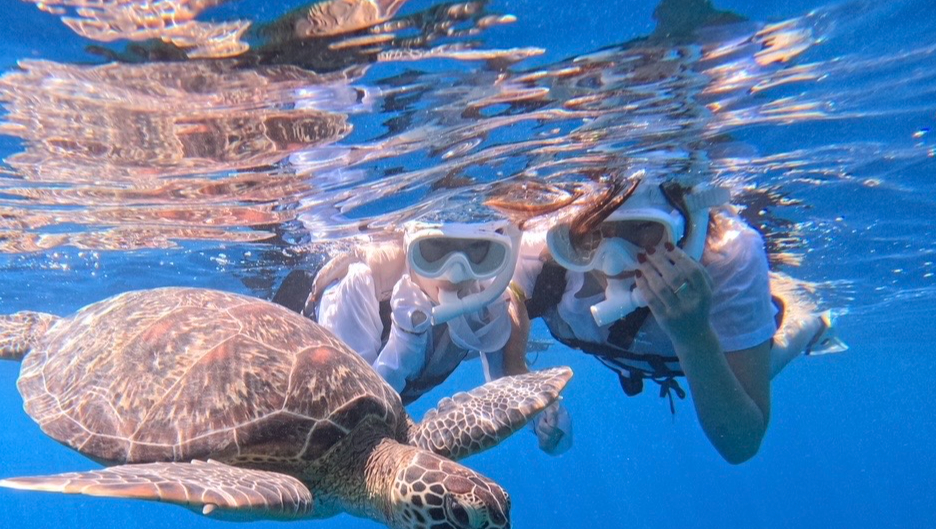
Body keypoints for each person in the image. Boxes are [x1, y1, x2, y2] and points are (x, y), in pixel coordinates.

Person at [501, 172, 843, 464]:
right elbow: (508, 363)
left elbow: (741, 444)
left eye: (642, 229)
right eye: (595, 233)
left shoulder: (726, 258)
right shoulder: (538, 254)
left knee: (758, 367)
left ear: (682, 226)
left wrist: (694, 336)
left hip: (698, 354)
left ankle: (811, 325)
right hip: (629, 356)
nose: (614, 258)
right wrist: (540, 412)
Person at [301, 216, 534, 404]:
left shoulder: (485, 292)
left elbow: (506, 387)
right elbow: (349, 411)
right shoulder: (360, 284)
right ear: (410, 243)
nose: (455, 274)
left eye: (476, 249)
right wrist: (404, 344)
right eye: (435, 247)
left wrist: (540, 416)